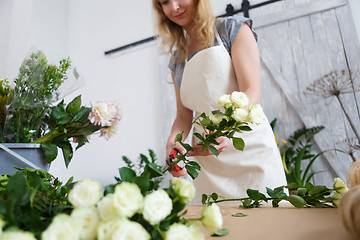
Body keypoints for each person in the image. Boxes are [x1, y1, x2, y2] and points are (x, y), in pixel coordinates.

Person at [152, 0, 287, 203]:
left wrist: (222, 129)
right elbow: (183, 115)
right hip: (208, 163)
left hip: (251, 152)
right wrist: (173, 142)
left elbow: (252, 91)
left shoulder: (232, 29)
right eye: (165, 2)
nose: (174, 7)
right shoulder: (178, 60)